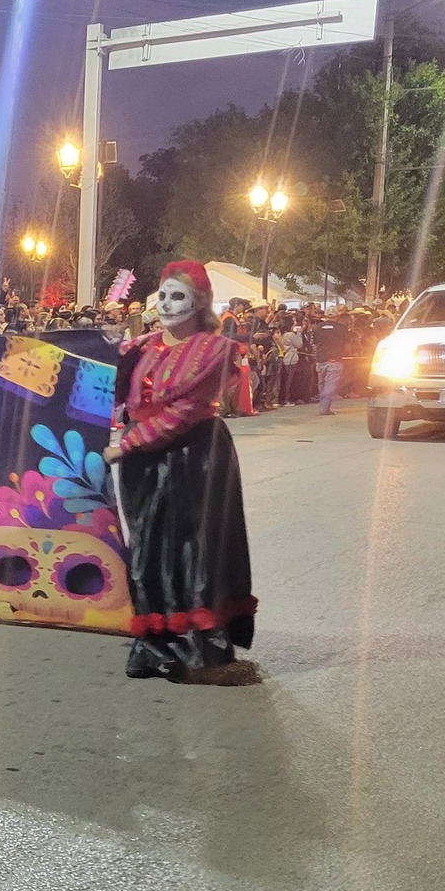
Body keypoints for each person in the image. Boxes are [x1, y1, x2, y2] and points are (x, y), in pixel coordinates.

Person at [108, 262, 257, 685]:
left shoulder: (214, 350)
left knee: (191, 550)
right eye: (165, 295)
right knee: (146, 549)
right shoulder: (137, 347)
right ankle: (152, 641)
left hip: (193, 458)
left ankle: (194, 644)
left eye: (179, 297)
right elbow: (109, 391)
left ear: (200, 303)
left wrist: (124, 445)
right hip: (143, 462)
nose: (169, 305)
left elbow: (185, 412)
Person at [309, 310, 348, 415]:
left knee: (322, 383)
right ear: (337, 317)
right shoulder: (342, 328)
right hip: (335, 359)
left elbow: (315, 341)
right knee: (330, 385)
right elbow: (346, 341)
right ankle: (324, 407)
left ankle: (323, 405)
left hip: (320, 359)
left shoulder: (318, 327)